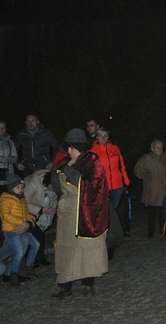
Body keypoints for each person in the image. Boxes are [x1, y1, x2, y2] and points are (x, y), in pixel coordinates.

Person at [50, 128, 109, 299]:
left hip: (86, 210)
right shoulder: (65, 162)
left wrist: (73, 174)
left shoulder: (91, 160)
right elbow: (57, 185)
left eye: (72, 147)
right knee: (66, 249)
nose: (69, 151)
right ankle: (64, 285)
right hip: (68, 211)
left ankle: (88, 283)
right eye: (68, 147)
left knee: (86, 248)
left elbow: (94, 185)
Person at [0, 173, 40, 284]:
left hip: (22, 228)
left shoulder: (22, 199)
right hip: (11, 229)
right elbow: (5, 215)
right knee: (19, 251)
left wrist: (31, 218)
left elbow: (26, 214)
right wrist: (22, 222)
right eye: (18, 187)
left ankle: (28, 266)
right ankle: (13, 274)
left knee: (36, 245)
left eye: (22, 187)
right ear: (11, 187)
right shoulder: (6, 199)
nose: (21, 189)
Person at [89, 127, 130, 238]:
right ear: (96, 137)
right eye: (100, 136)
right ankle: (104, 234)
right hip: (102, 186)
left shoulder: (115, 148)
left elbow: (122, 164)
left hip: (117, 185)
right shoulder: (92, 151)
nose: (103, 138)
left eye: (105, 135)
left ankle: (111, 234)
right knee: (105, 212)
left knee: (113, 211)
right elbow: (91, 170)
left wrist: (126, 180)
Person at [134, 139, 166, 238]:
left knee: (162, 211)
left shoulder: (165, 157)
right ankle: (150, 230)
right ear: (152, 148)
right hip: (151, 190)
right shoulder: (146, 158)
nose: (160, 149)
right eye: (157, 147)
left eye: (161, 147)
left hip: (164, 189)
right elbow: (137, 172)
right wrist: (146, 177)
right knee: (151, 211)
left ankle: (162, 229)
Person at [24, 169, 56, 266]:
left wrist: (49, 220)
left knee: (41, 236)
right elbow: (24, 203)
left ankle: (40, 258)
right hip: (30, 213)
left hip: (44, 214)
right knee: (34, 237)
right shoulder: (34, 182)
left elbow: (54, 203)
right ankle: (31, 261)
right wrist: (40, 210)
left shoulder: (54, 186)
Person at [15, 113, 58, 177]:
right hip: (27, 166)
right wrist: (17, 163)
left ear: (37, 122)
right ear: (25, 122)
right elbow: (14, 150)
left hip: (43, 166)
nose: (30, 123)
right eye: (28, 121)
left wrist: (52, 162)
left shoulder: (46, 133)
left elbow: (56, 148)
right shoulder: (21, 134)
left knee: (43, 186)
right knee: (28, 186)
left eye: (33, 121)